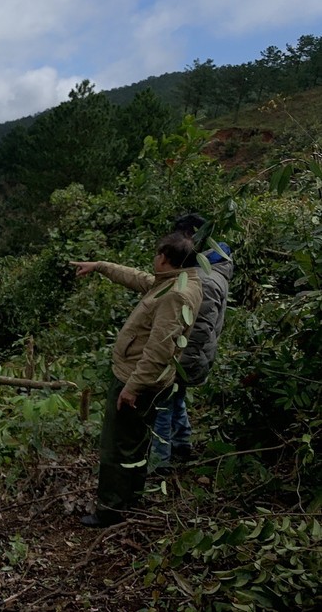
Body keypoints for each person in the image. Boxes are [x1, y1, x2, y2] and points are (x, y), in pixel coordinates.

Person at [71, 233, 203, 527]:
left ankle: (110, 510)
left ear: (165, 258)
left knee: (116, 446)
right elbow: (138, 278)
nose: (153, 260)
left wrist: (132, 387)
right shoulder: (180, 281)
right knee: (136, 441)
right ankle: (131, 497)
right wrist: (101, 266)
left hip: (136, 380)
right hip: (147, 380)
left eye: (157, 255)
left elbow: (159, 350)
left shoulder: (175, 295)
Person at [150, 214, 234, 470]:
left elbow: (197, 330)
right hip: (191, 356)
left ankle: (159, 462)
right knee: (176, 398)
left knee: (162, 405)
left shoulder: (205, 280)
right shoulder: (210, 268)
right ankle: (182, 444)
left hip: (186, 357)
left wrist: (175, 365)